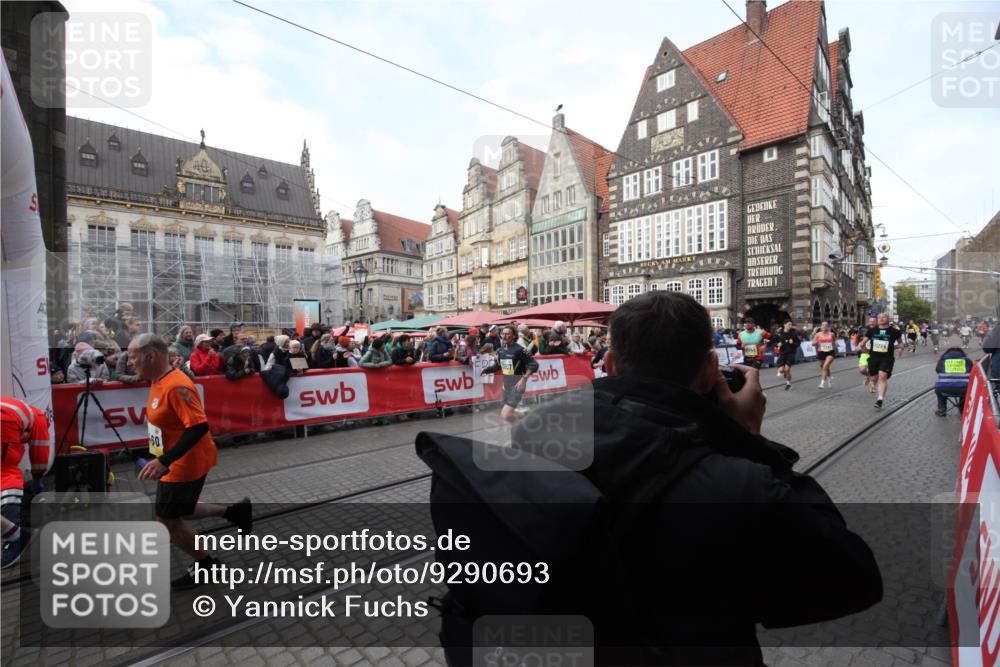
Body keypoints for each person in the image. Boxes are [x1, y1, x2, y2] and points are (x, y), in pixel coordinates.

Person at [490, 291, 880, 663]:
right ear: (712, 369)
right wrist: (747, 439)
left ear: (608, 364)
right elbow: (853, 579)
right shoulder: (738, 483)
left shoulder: (531, 435)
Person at [129, 334, 252, 589]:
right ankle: (235, 512)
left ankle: (208, 565)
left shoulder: (176, 386)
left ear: (150, 356)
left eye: (132, 357)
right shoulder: (158, 379)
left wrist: (165, 460)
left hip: (184, 463)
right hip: (175, 460)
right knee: (181, 509)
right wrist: (153, 451)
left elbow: (197, 427)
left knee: (167, 521)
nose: (129, 362)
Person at [1, 398, 54, 568]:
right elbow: (39, 459)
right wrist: (38, 479)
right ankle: (15, 531)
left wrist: (38, 480)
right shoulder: (34, 422)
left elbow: (38, 458)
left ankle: (15, 533)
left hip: (7, 420)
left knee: (6, 472)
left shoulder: (16, 419)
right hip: (7, 419)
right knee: (7, 471)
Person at [479, 324, 539, 424]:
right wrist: (487, 370)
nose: (504, 336)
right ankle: (524, 420)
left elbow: (534, 365)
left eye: (508, 334)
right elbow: (498, 366)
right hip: (505, 387)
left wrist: (524, 379)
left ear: (514, 336)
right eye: (503, 334)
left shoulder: (520, 350)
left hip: (517, 386)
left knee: (505, 415)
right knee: (509, 415)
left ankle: (524, 425)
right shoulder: (501, 350)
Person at [857, 313, 905, 409]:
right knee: (874, 378)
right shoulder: (872, 331)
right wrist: (863, 349)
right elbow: (862, 344)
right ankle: (871, 381)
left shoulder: (894, 331)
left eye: (883, 317)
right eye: (879, 317)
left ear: (888, 319)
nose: (881, 319)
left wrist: (900, 348)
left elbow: (900, 342)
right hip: (874, 358)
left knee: (882, 377)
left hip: (887, 358)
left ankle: (880, 400)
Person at [933, 347, 972, 416]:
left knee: (938, 390)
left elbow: (937, 370)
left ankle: (942, 409)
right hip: (964, 389)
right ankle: (962, 409)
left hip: (944, 389)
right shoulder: (967, 360)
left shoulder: (942, 360)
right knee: (965, 389)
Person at [774, 321, 801, 391]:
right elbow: (774, 342)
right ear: (784, 325)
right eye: (789, 324)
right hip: (782, 354)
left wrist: (793, 343)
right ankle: (784, 373)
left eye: (791, 324)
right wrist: (777, 344)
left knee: (787, 369)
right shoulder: (779, 334)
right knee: (781, 370)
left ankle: (788, 384)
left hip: (791, 353)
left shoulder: (793, 334)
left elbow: (798, 343)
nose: (790, 326)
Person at [812, 321, 837, 389]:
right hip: (821, 352)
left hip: (830, 352)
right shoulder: (818, 334)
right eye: (823, 325)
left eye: (826, 325)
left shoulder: (831, 334)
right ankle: (829, 379)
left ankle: (822, 383)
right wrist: (816, 342)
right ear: (821, 326)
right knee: (826, 367)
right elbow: (813, 343)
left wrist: (835, 343)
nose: (824, 326)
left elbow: (835, 341)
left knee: (825, 366)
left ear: (828, 326)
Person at [858, 316, 878, 393]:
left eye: (873, 321)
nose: (872, 323)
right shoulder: (863, 330)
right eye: (870, 321)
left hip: (875, 354)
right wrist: (858, 345)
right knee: (862, 370)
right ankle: (867, 376)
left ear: (876, 322)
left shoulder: (879, 330)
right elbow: (858, 338)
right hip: (865, 353)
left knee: (873, 370)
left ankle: (872, 386)